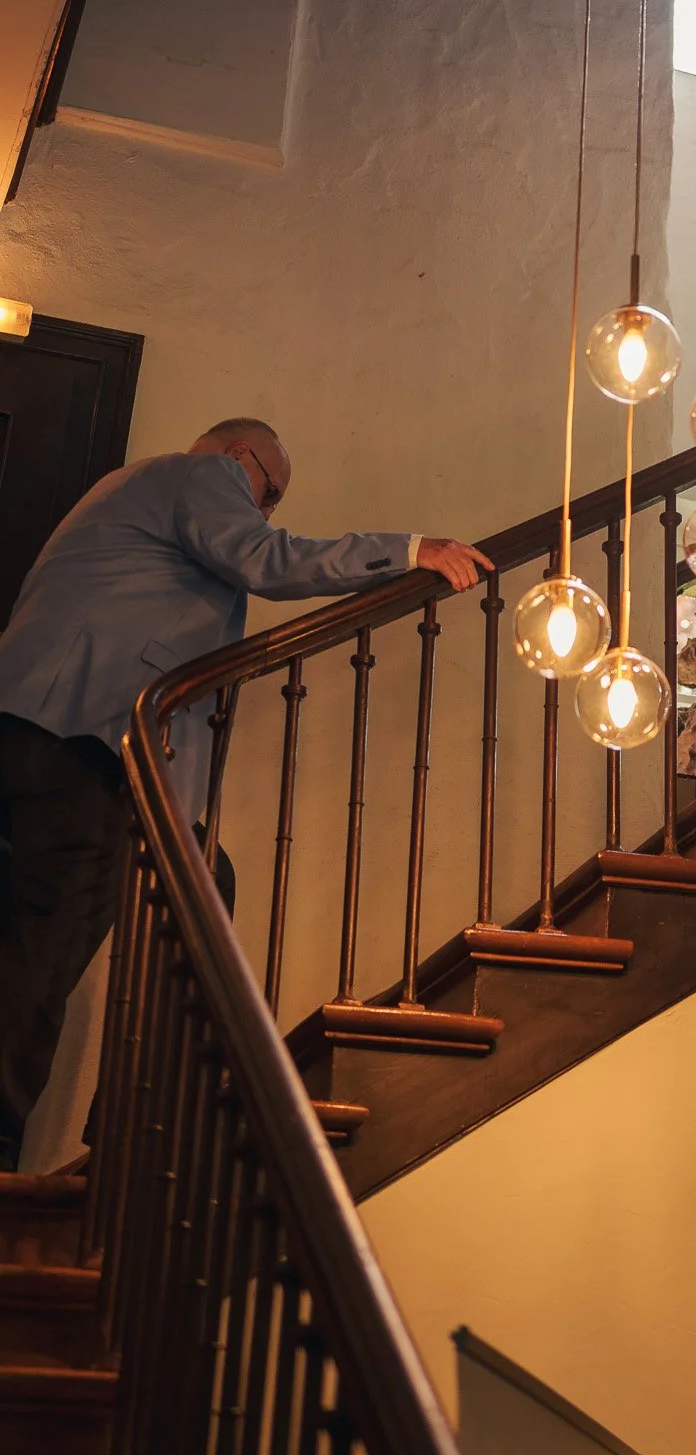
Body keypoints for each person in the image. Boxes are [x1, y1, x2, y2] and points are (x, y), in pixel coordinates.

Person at [0, 416, 491, 1170]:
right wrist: (409, 550)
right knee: (45, 948)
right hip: (79, 742)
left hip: (60, 736)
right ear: (241, 457)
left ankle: (128, 1125)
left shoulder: (124, 494)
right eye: (270, 493)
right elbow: (265, 559)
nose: (265, 510)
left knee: (201, 884)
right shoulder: (199, 476)